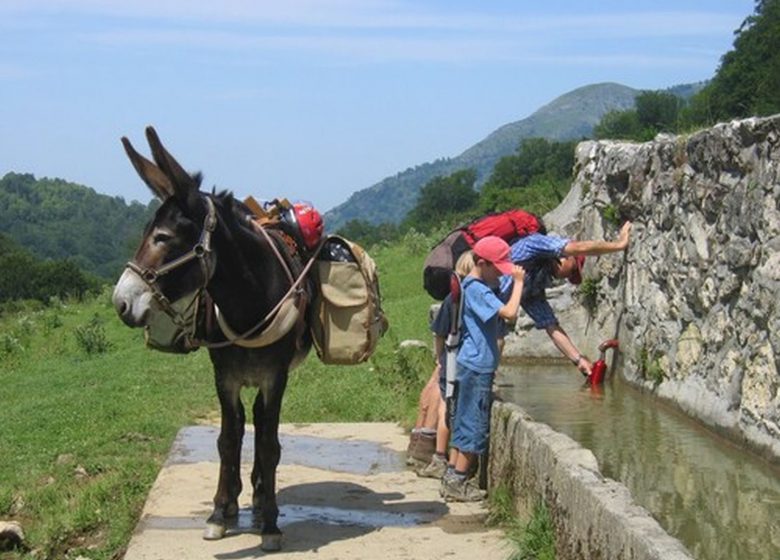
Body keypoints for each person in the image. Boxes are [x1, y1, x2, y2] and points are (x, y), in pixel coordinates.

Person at [441, 236, 525, 502]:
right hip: (477, 365)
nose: (499, 273)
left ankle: (452, 476)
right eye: (496, 268)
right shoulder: (477, 289)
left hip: (470, 363)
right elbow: (510, 313)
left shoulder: (476, 285)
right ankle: (458, 482)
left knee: (463, 419)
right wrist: (519, 284)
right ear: (481, 263)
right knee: (473, 424)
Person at [509, 221, 632, 376]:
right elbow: (579, 247)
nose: (568, 277)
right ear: (567, 257)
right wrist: (619, 245)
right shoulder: (535, 243)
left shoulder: (535, 284)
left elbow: (550, 325)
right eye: (573, 270)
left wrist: (579, 360)